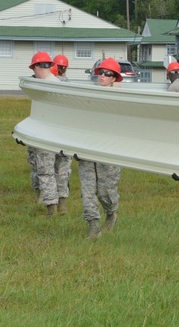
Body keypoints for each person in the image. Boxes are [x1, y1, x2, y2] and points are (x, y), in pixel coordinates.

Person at [79, 58, 124, 238]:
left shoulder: (121, 100)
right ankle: (93, 227)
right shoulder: (88, 96)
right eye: (100, 73)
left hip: (109, 151)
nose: (103, 76)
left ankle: (111, 213)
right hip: (87, 149)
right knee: (87, 189)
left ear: (114, 79)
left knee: (105, 191)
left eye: (108, 74)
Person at [26, 52, 63, 216]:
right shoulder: (60, 83)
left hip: (46, 136)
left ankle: (51, 210)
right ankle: (63, 207)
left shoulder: (42, 86)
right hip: (63, 136)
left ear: (35, 67)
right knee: (61, 172)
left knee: (45, 172)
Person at [51, 54, 72, 214]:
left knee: (49, 169)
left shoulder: (49, 83)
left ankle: (52, 204)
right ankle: (62, 202)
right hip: (66, 132)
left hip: (53, 131)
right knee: (63, 169)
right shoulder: (69, 85)